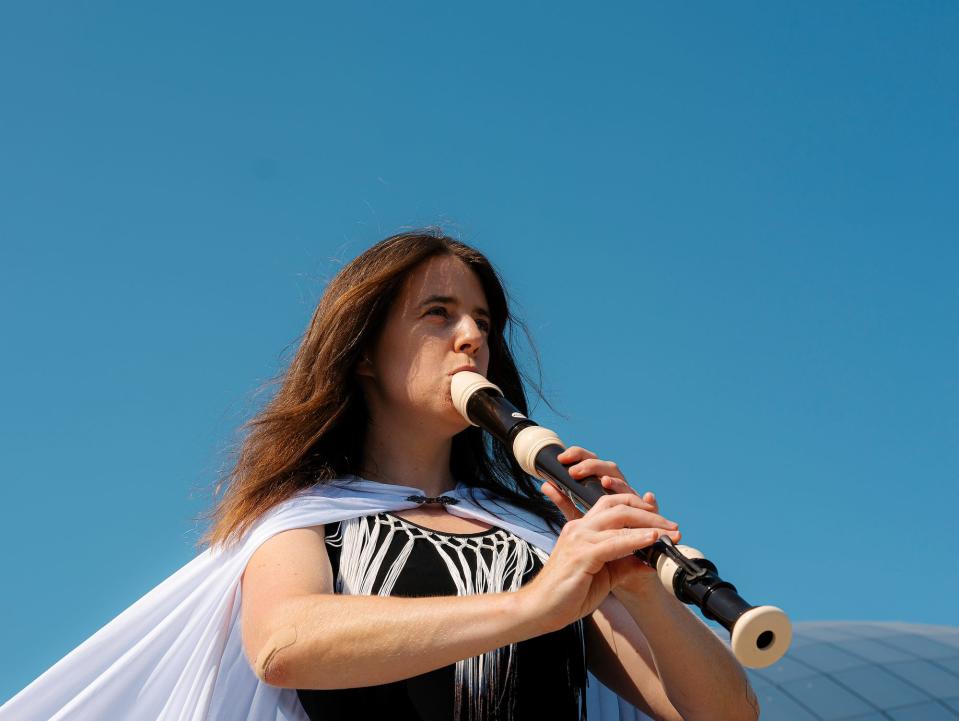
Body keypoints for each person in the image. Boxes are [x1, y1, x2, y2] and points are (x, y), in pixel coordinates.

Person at [0, 229, 759, 721]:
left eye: (483, 323)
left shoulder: (539, 539)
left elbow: (722, 716)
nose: (470, 337)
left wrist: (634, 585)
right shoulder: (308, 516)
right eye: (438, 313)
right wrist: (532, 605)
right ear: (362, 352)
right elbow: (283, 641)